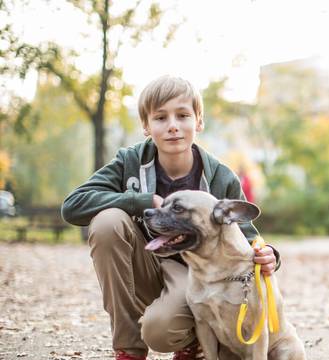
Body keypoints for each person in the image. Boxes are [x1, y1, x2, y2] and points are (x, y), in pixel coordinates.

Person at [61, 75, 280, 360]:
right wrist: (138, 201)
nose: (173, 125)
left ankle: (194, 340)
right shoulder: (129, 162)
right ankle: (128, 349)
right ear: (146, 126)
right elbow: (72, 206)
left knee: (161, 332)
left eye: (183, 115)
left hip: (194, 275)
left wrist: (269, 254)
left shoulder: (220, 177)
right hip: (145, 260)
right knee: (107, 222)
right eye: (161, 117)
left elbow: (246, 235)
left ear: (198, 122)